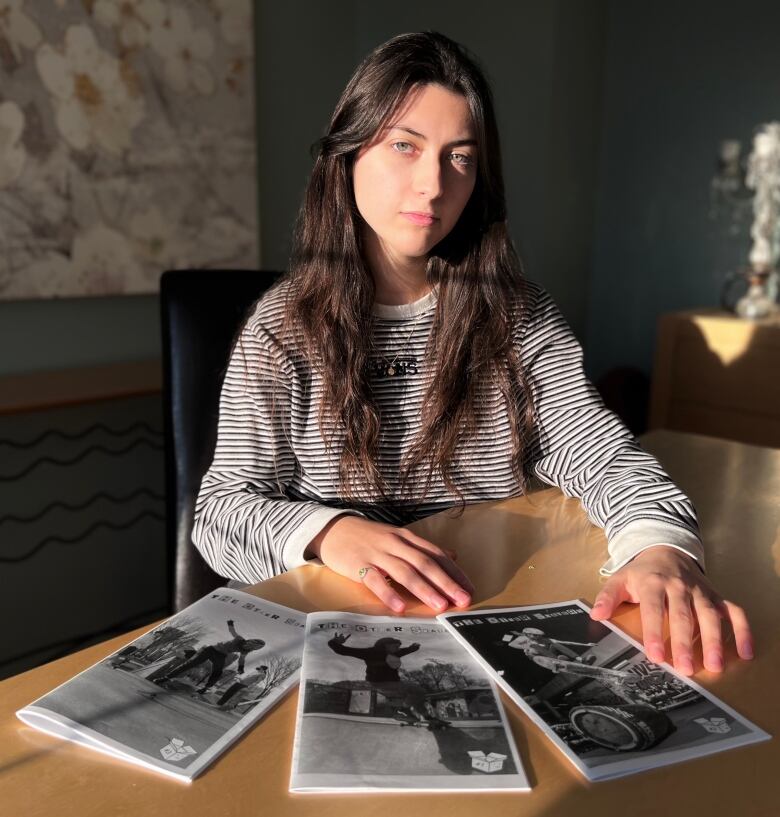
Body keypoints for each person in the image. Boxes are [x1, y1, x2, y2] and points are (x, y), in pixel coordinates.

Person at [191, 31, 753, 676]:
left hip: (500, 615)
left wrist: (660, 551)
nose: (432, 183)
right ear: (348, 154)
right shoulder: (284, 326)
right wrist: (329, 532)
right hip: (349, 631)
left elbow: (603, 459)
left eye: (460, 156)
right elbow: (223, 510)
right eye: (405, 145)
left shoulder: (516, 314)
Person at [155, 620, 265, 695]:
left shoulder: (246, 650)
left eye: (251, 647)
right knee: (190, 664)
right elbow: (233, 632)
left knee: (217, 672)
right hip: (211, 650)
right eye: (248, 645)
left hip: (220, 655)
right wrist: (230, 623)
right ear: (249, 641)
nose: (246, 647)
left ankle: (205, 688)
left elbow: (242, 658)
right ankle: (165, 678)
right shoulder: (239, 639)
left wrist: (241, 668)